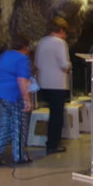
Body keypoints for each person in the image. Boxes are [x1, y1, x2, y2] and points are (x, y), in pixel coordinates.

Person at [0, 34, 32, 165]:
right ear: (25, 47)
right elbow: (22, 80)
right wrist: (27, 100)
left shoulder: (4, 55)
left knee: (4, 124)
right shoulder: (22, 58)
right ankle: (19, 156)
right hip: (13, 96)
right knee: (18, 126)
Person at [35, 16, 71, 155]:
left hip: (44, 83)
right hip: (57, 84)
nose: (66, 36)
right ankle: (53, 145)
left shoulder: (42, 42)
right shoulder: (60, 43)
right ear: (61, 30)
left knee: (52, 113)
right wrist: (70, 66)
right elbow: (64, 64)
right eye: (65, 32)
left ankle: (50, 142)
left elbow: (37, 64)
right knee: (57, 116)